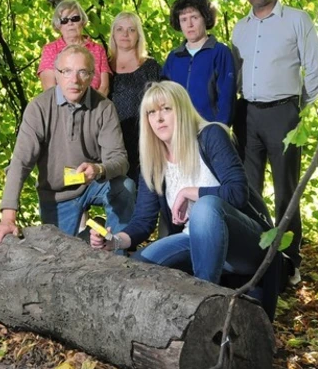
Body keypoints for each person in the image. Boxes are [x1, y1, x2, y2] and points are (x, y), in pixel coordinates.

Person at [90, 81, 268, 290]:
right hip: (193, 239)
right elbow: (142, 222)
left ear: (182, 110)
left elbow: (238, 193)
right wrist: (114, 241)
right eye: (151, 113)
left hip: (245, 243)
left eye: (166, 109)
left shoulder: (211, 136)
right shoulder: (153, 163)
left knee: (206, 205)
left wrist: (189, 192)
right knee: (135, 269)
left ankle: (204, 295)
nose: (159, 118)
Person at [232, 0, 318, 284]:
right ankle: (255, 260)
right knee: (248, 191)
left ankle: (290, 262)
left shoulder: (297, 20)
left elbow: (315, 70)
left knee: (286, 191)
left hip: (283, 113)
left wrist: (299, 110)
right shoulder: (239, 28)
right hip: (247, 115)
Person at [0, 45, 135, 245]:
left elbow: (120, 160)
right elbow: (20, 162)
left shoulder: (104, 108)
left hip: (94, 184)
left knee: (124, 186)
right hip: (56, 195)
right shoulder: (38, 108)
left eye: (82, 72)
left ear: (92, 75)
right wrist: (7, 218)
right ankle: (89, 237)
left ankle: (117, 253)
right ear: (56, 74)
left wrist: (99, 169)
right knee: (58, 254)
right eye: (67, 71)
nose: (74, 80)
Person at [161, 0, 237, 125]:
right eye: (183, 19)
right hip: (179, 130)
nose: (189, 24)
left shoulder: (220, 52)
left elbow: (227, 98)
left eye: (194, 17)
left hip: (210, 129)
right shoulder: (174, 57)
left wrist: (219, 130)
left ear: (205, 18)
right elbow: (164, 98)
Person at [108, 11, 161, 184]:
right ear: (113, 34)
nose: (125, 34)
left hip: (146, 141)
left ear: (138, 35)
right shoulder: (103, 68)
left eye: (131, 30)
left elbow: (162, 104)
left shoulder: (150, 66)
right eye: (120, 29)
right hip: (113, 142)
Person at [37, 0, 111, 96]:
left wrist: (92, 109)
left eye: (75, 18)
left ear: (82, 21)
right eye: (64, 20)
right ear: (58, 25)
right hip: (60, 109)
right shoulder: (50, 50)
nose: (70, 23)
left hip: (94, 107)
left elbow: (104, 87)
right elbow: (49, 87)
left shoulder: (98, 49)